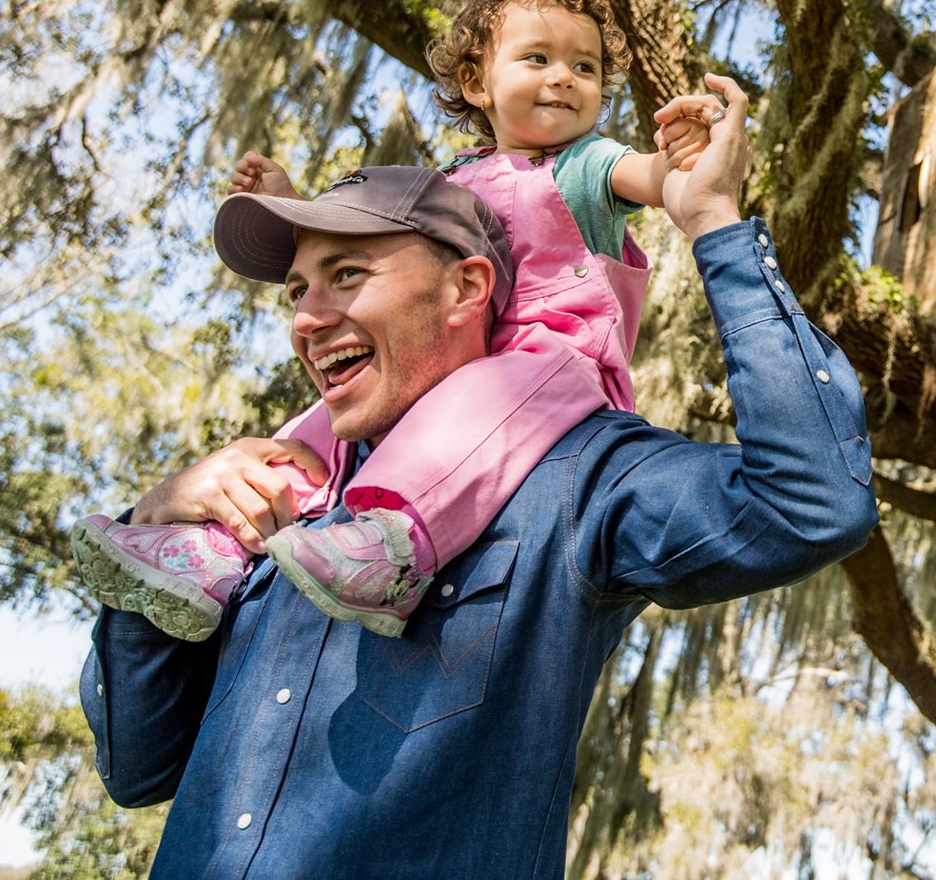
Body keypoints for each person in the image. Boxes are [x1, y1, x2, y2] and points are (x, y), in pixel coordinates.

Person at [81, 73, 878, 874]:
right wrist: (158, 520)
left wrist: (714, 224)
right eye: (298, 289)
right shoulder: (274, 493)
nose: (307, 318)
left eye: (348, 275)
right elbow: (138, 766)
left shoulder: (576, 476)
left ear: (467, 287)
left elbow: (810, 504)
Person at [72, 0, 718, 638]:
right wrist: (294, 202)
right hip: (461, 362)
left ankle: (395, 548)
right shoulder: (453, 179)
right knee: (317, 430)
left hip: (550, 366)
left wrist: (685, 154)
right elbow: (376, 243)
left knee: (470, 418)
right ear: (477, 83)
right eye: (538, 58)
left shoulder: (586, 164)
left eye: (585, 68)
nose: (564, 77)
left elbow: (651, 176)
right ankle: (214, 551)